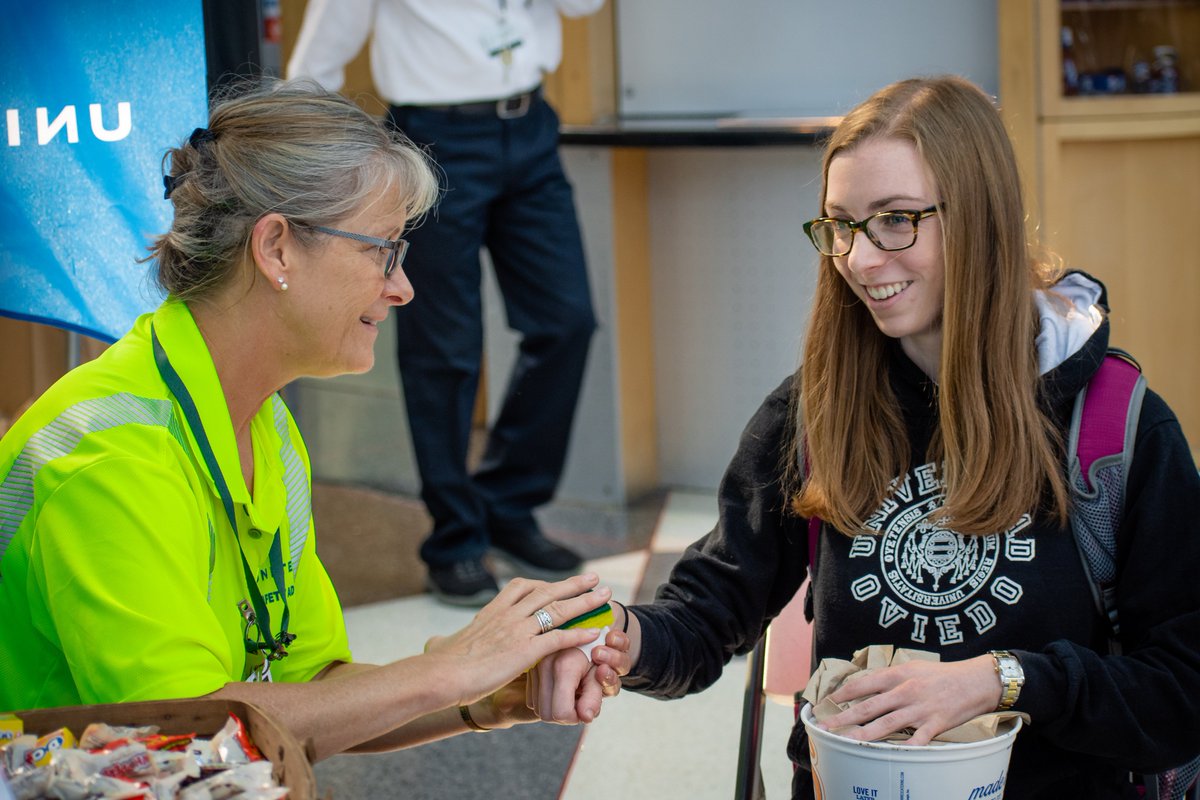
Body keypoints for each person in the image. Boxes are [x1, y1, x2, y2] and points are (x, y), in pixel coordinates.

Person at [554, 75, 1199, 797]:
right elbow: (707, 614)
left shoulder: (1117, 427)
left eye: (897, 219)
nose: (859, 260)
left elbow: (1180, 691)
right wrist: (605, 632)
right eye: (842, 225)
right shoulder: (814, 410)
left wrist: (1001, 681)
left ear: (980, 218)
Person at [0, 80, 630, 760]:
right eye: (380, 250)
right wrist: (445, 671)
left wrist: (481, 698)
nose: (402, 286)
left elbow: (311, 685)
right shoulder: (110, 456)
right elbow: (187, 733)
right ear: (275, 249)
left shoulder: (262, 420)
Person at [288, 0, 604, 606]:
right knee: (446, 348)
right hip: (436, 139)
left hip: (531, 125)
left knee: (567, 322)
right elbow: (314, 68)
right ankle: (455, 538)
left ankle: (508, 505)